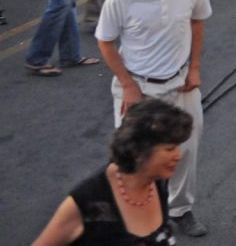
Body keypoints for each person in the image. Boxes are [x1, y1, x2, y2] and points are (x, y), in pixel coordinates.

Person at [95, 0, 212, 237]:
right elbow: (105, 41)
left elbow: (198, 21)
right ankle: (132, 219)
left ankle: (180, 209)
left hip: (181, 84)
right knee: (135, 157)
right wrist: (128, 86)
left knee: (185, 150)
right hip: (138, 88)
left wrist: (195, 69)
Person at [32, 99, 193, 244]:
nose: (178, 156)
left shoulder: (156, 182)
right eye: (170, 149)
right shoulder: (89, 200)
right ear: (139, 151)